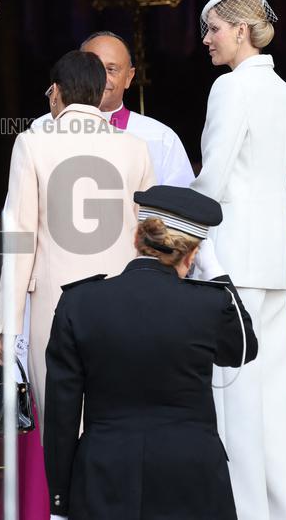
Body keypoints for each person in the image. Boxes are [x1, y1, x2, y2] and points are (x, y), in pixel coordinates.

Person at [42, 185, 257, 520]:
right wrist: (217, 275)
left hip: (104, 474)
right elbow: (243, 349)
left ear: (136, 239)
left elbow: (61, 413)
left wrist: (59, 500)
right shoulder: (208, 303)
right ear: (191, 253)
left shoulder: (79, 302)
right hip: (192, 475)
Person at [0, 49, 155, 424]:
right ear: (100, 95)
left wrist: (8, 325)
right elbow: (151, 237)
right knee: (118, 420)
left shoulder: (32, 143)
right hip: (124, 306)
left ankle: (66, 486)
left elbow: (19, 238)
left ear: (55, 92)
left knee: (62, 425)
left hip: (55, 306)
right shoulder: (136, 148)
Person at [192, 0, 286, 520]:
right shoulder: (282, 88)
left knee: (234, 404)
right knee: (273, 406)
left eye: (213, 28)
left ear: (241, 30)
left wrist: (173, 218)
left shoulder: (232, 87)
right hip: (272, 261)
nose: (206, 39)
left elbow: (213, 174)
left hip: (232, 261)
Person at [30, 32, 194, 187]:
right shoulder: (42, 128)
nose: (101, 78)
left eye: (111, 69)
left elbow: (180, 209)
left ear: (129, 77)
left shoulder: (160, 138)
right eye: (92, 69)